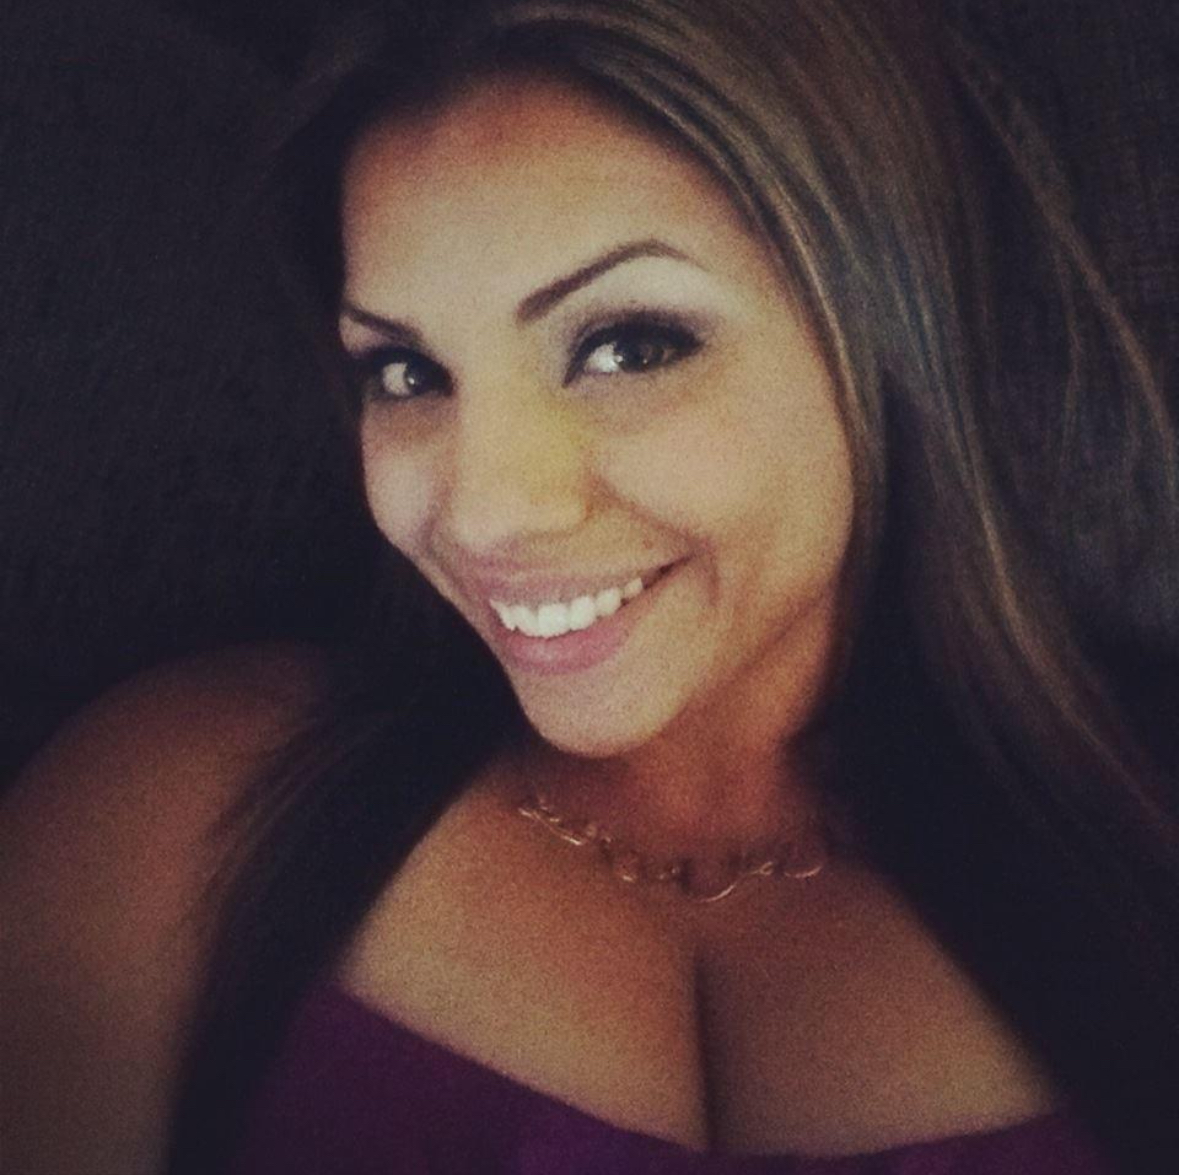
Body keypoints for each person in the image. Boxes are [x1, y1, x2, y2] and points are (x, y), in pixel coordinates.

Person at [3, 1, 1177, 1172]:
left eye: (628, 346)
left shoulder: (1141, 852)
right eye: (406, 372)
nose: (483, 511)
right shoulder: (182, 813)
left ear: (889, 336)